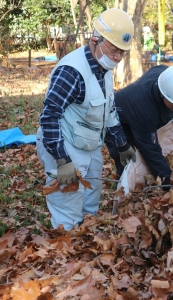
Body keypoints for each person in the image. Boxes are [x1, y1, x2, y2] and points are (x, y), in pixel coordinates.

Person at [37, 8, 136, 230]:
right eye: (114, 50)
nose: (118, 58)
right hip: (64, 143)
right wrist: (62, 161)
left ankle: (85, 240)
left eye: (123, 52)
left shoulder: (105, 68)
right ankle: (66, 251)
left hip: (89, 143)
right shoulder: (72, 71)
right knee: (68, 206)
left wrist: (122, 144)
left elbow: (108, 109)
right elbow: (50, 117)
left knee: (91, 200)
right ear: (95, 40)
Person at [105, 65, 173, 191]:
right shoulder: (145, 110)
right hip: (116, 120)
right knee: (126, 161)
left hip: (138, 112)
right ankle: (121, 194)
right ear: (163, 94)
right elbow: (150, 149)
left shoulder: (167, 75)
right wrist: (168, 182)